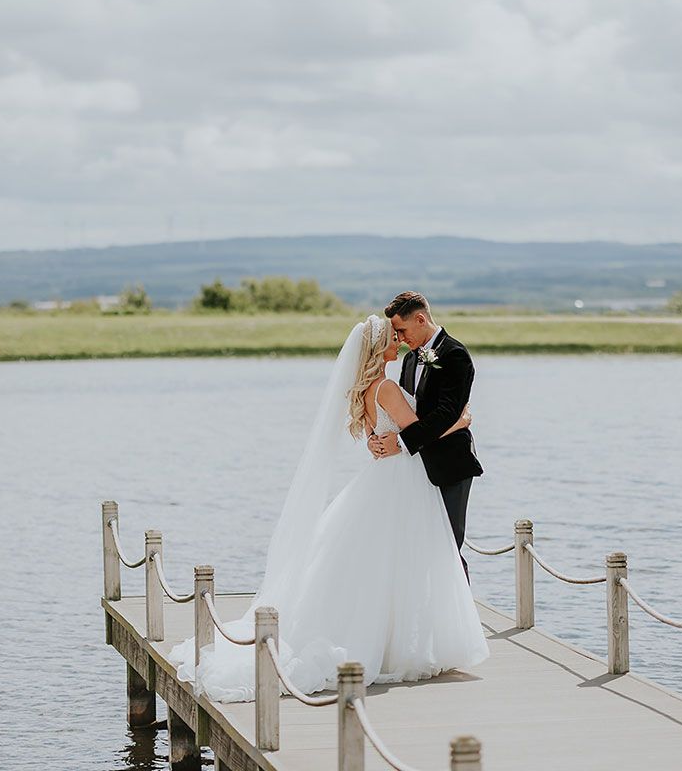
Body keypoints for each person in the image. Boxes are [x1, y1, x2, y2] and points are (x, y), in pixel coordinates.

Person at [171, 315, 488, 701]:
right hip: (402, 479)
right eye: (392, 337)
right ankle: (396, 644)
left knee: (384, 563)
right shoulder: (386, 387)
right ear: (378, 348)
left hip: (385, 477)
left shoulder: (366, 388)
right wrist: (463, 420)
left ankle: (396, 639)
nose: (399, 341)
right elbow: (419, 429)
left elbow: (384, 433)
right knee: (401, 560)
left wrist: (383, 439)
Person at [368, 291, 483, 579]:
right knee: (416, 547)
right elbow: (403, 413)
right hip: (412, 470)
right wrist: (377, 436)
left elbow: (446, 414)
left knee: (447, 547)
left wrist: (401, 443)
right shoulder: (409, 361)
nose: (400, 337)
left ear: (420, 319)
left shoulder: (455, 355)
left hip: (449, 465)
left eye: (402, 330)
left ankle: (462, 620)